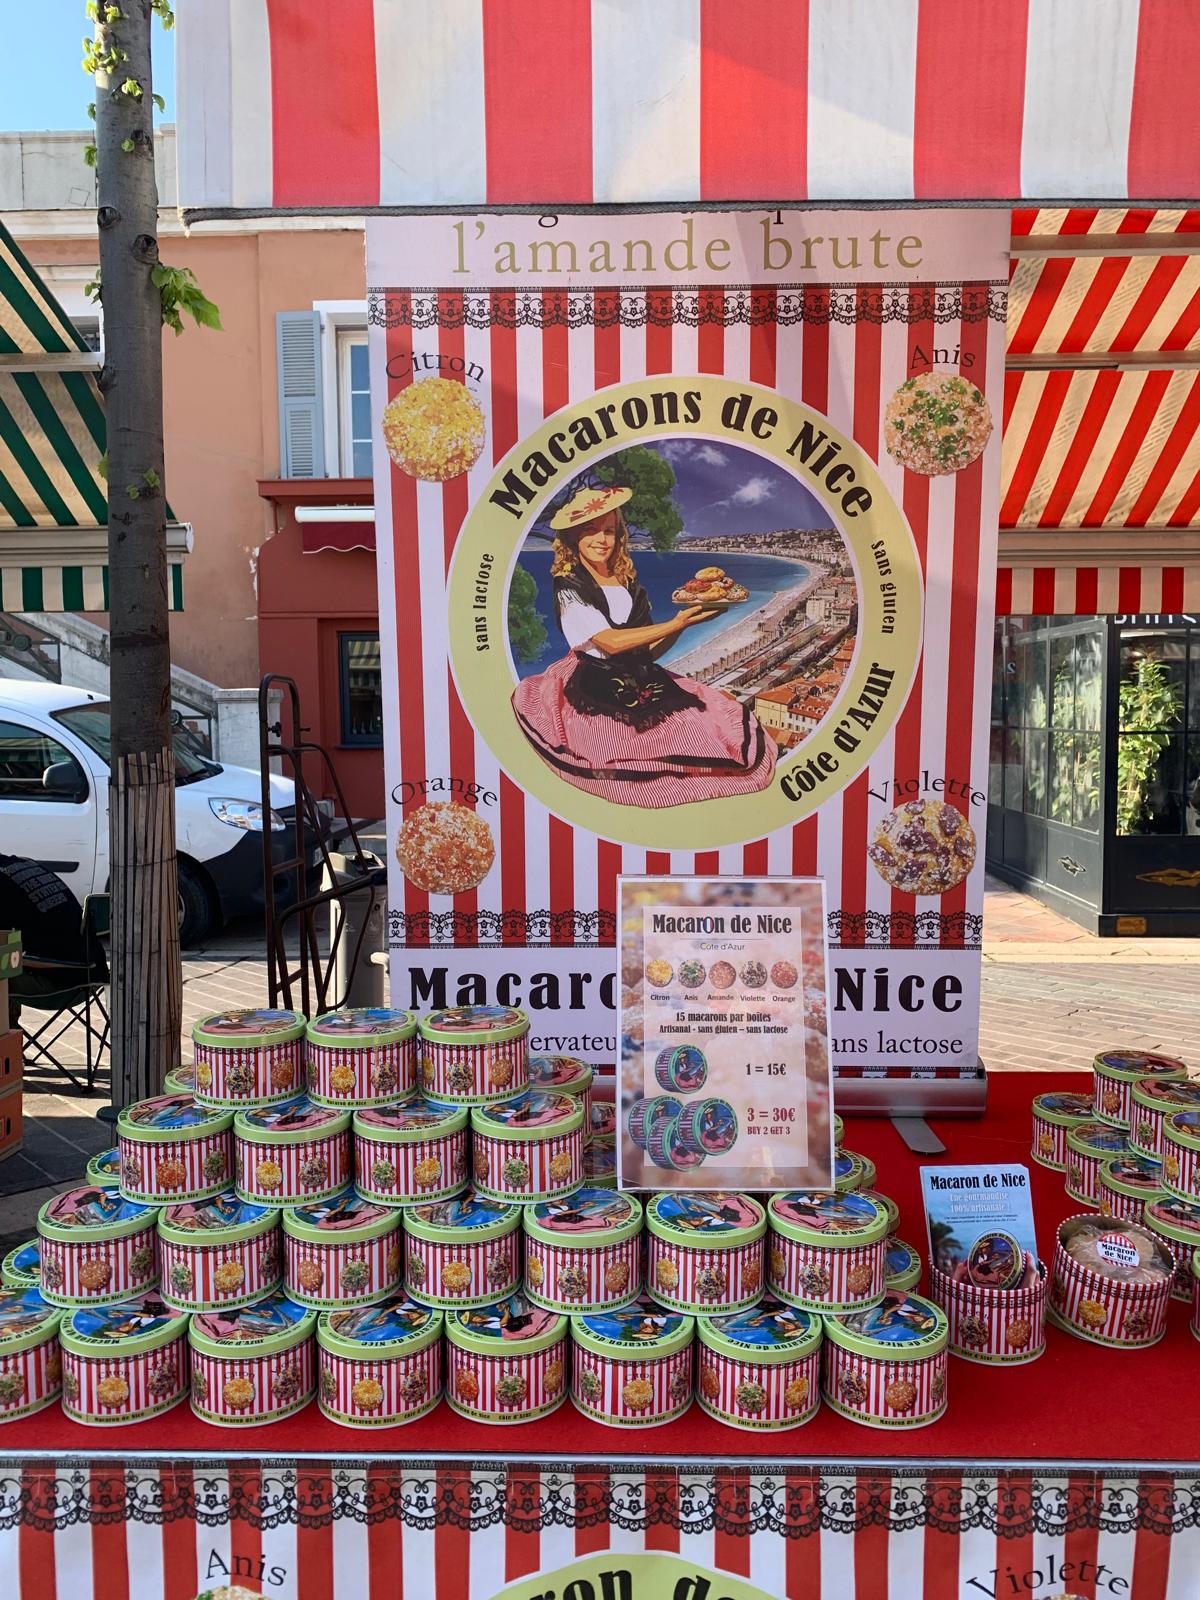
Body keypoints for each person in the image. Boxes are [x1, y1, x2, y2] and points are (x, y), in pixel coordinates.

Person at [511, 485, 776, 808]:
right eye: (590, 530)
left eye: (609, 531)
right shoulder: (568, 587)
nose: (601, 540)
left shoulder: (628, 583)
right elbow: (609, 642)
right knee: (627, 754)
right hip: (595, 686)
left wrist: (687, 623)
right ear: (572, 538)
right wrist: (675, 623)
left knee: (713, 727)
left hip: (643, 676)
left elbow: (647, 653)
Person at [0, 854, 105, 1027]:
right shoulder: (26, 863)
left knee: (6, 965)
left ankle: (8, 1035)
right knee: (10, 959)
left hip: (57, 982)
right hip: (93, 974)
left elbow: (6, 947)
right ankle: (10, 1036)